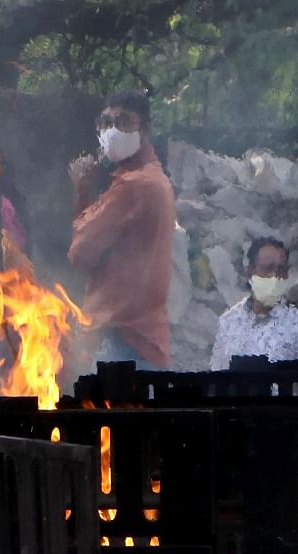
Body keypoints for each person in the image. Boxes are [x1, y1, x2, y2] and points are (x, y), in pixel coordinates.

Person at [68, 91, 177, 369]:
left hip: (123, 340)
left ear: (146, 128)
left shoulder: (133, 186)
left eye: (124, 121)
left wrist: (80, 191)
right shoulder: (154, 178)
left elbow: (81, 253)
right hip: (143, 339)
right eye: (106, 123)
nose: (112, 131)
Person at [210, 238, 298, 370]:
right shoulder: (229, 323)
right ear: (250, 272)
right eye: (268, 268)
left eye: (281, 270)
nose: (275, 276)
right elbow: (217, 374)